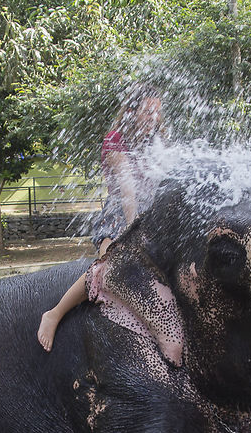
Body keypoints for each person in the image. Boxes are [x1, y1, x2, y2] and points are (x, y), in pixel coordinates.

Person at [37, 85, 163, 352]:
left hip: (149, 215)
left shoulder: (155, 143)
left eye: (158, 112)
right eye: (148, 111)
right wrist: (134, 231)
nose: (153, 118)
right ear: (132, 112)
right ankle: (55, 313)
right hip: (119, 217)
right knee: (106, 269)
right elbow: (128, 191)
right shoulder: (115, 140)